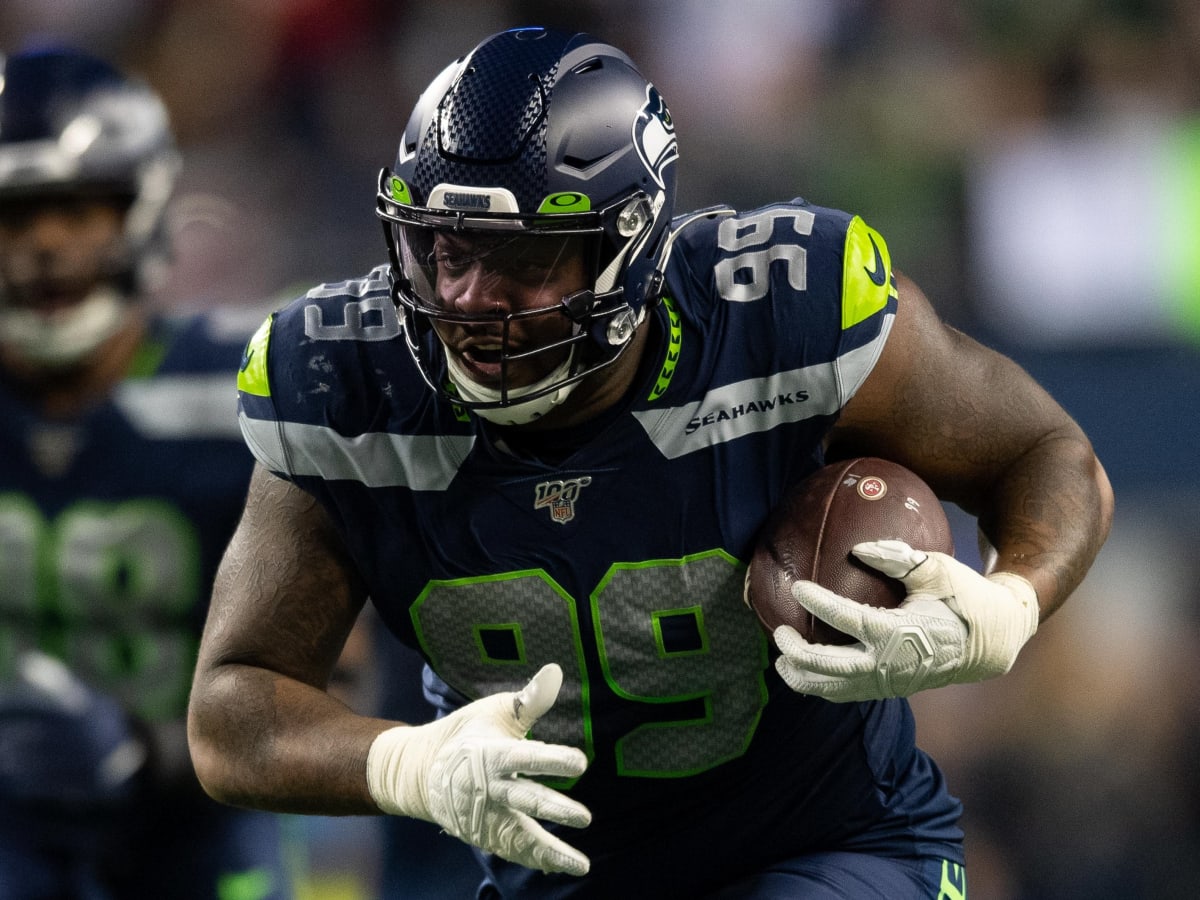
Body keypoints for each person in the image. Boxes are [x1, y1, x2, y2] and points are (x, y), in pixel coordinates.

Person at [187, 25, 1114, 899]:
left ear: (627, 245)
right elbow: (232, 709)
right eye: (447, 249)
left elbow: (1045, 453)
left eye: (528, 258)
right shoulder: (341, 380)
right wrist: (404, 763)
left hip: (836, 847)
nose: (471, 300)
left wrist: (1012, 600)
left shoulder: (784, 312)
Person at [0, 45, 291, 899]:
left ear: (145, 210)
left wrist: (149, 747)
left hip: (198, 837)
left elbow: (330, 681)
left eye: (78, 210)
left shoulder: (242, 397)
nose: (46, 245)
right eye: (16, 215)